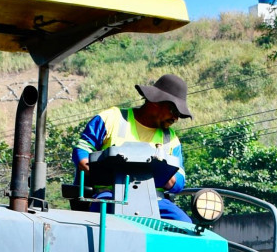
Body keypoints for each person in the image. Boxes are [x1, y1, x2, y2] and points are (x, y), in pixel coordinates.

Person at [73, 73, 193, 222]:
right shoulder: (111, 119)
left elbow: (179, 180)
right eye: (174, 111)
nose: (175, 118)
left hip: (155, 201)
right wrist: (99, 172)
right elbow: (82, 151)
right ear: (155, 102)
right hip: (110, 195)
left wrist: (164, 174)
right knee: (101, 219)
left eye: (179, 115)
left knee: (185, 224)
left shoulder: (172, 139)